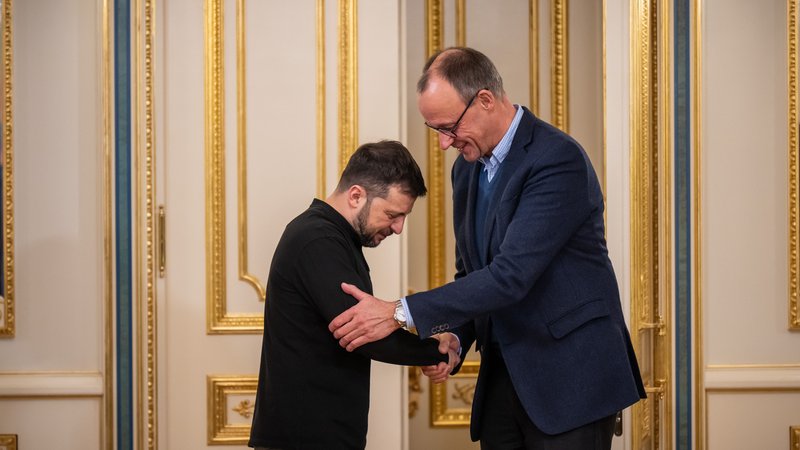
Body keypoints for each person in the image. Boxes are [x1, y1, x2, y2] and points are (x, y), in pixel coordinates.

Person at [329, 47, 646, 449]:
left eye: (449, 127)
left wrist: (397, 312)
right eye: (435, 131)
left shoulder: (557, 159)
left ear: (485, 100)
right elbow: (474, 274)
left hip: (570, 382)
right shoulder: (466, 170)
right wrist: (456, 337)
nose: (444, 143)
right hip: (502, 383)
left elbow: (511, 277)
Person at [248, 140, 460, 450]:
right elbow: (365, 333)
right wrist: (437, 352)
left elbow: (367, 326)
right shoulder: (317, 239)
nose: (399, 228)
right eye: (393, 214)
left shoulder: (334, 238)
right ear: (356, 195)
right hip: (303, 438)